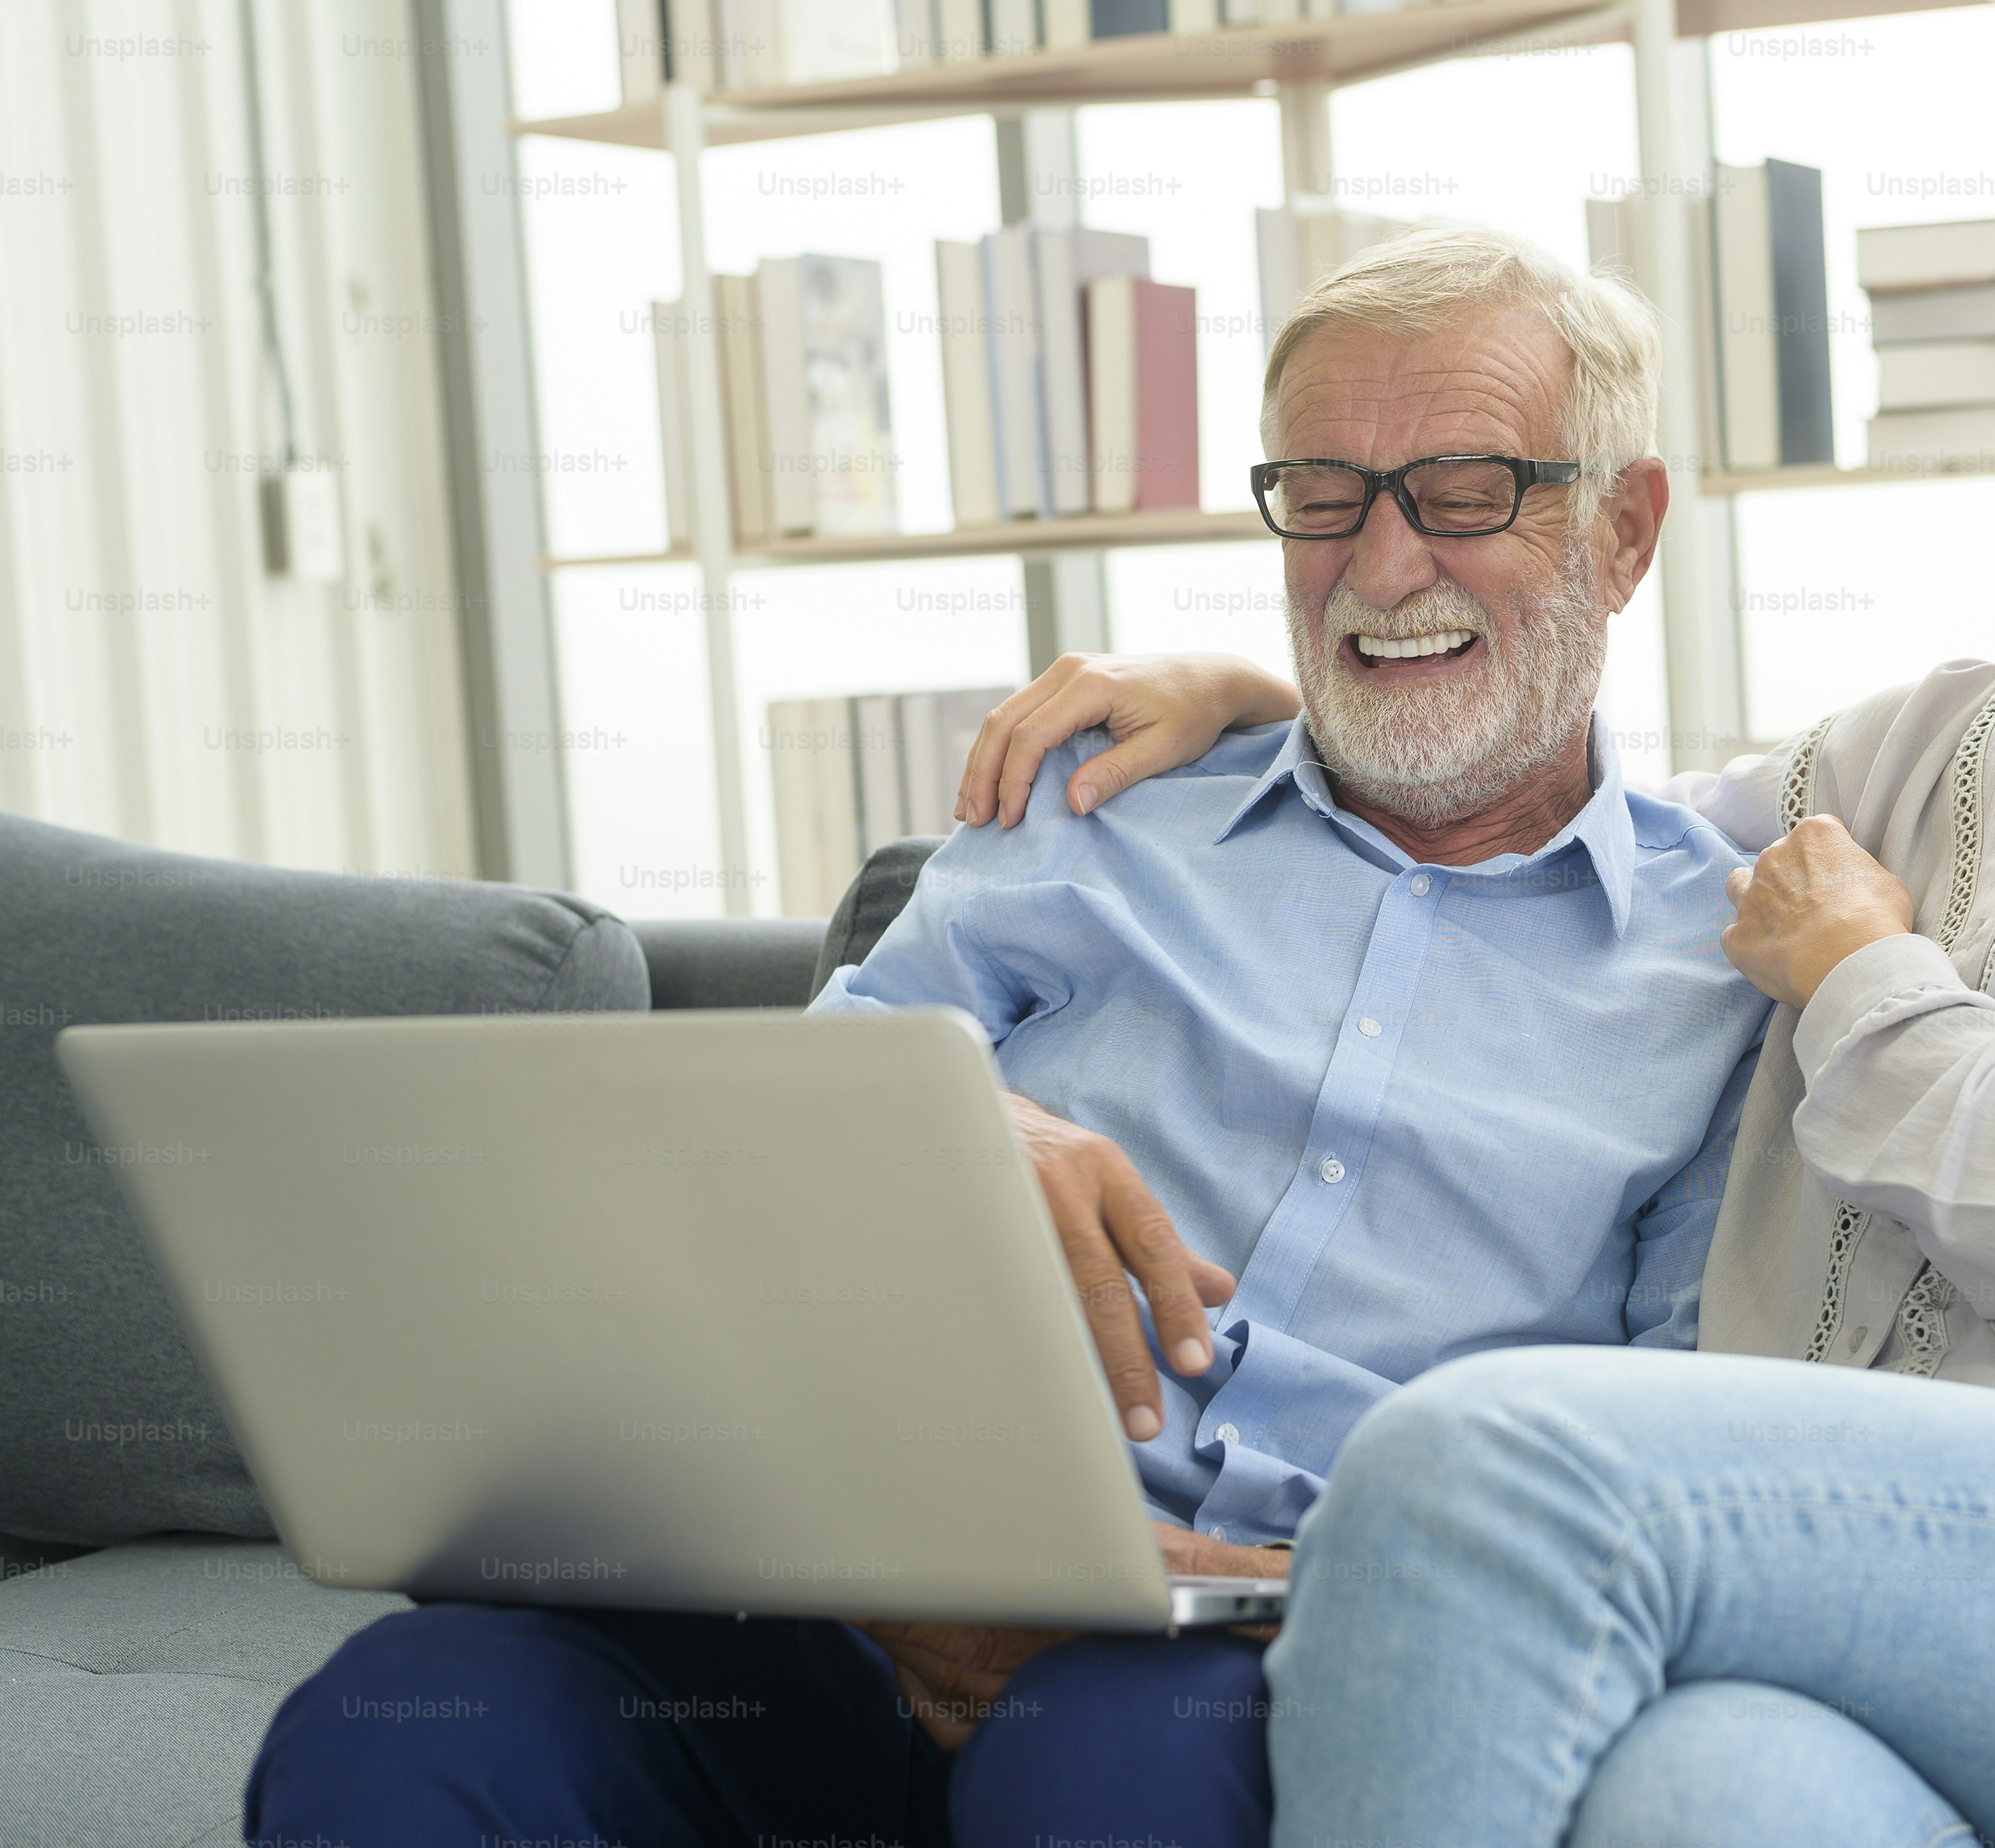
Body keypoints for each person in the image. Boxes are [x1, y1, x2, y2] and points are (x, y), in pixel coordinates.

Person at [952, 72, 1995, 1848]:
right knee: (1705, 1794)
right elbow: (1547, 821)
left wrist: (1866, 978)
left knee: (1481, 1465)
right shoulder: (1906, 755)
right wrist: (1281, 695)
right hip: (1936, 1609)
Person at [242, 226, 1772, 1848]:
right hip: (838, 1593)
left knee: (1100, 1760)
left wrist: (1324, 1583)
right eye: (1323, 492)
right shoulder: (1093, 813)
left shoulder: (1727, 970)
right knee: (408, 1718)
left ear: (1620, 528)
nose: (1380, 567)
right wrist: (947, 1130)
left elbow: (1666, 1468)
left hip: (1254, 1645)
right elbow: (766, 1136)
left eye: (1462, 490)